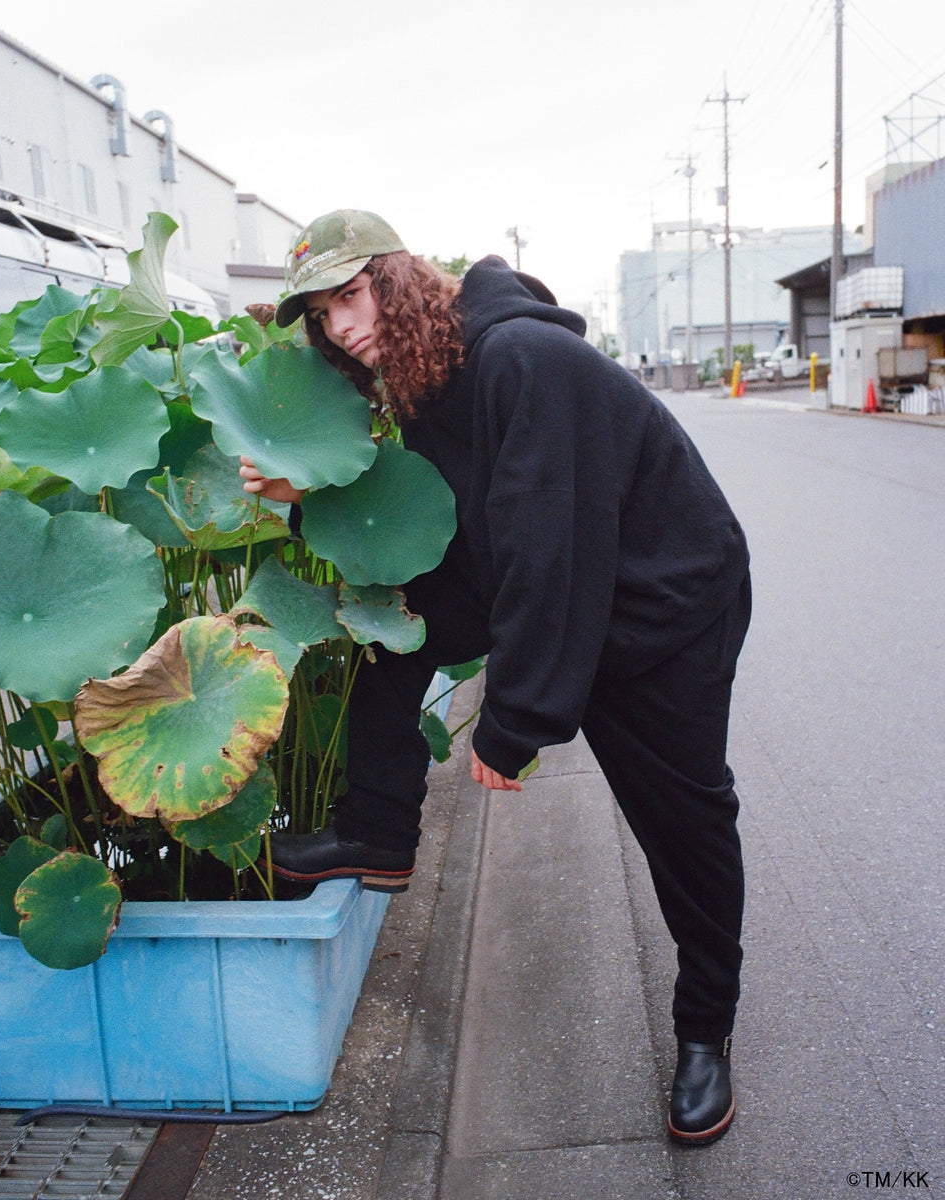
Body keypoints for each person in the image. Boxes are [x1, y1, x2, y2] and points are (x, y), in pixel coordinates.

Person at [240, 209, 751, 1147]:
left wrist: (513, 723)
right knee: (387, 629)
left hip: (664, 605)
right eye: (321, 313)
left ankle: (704, 1028)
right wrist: (307, 497)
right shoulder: (431, 379)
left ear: (398, 279)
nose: (342, 326)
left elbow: (550, 546)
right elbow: (456, 531)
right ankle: (377, 832)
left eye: (351, 295)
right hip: (570, 585)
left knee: (685, 820)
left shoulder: (521, 358)